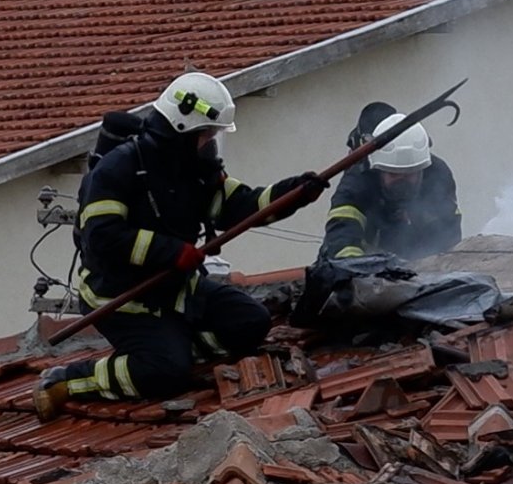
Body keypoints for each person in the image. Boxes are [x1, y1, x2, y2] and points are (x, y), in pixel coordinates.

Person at [32, 72, 327, 421]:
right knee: (165, 373)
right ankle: (68, 380)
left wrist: (293, 194)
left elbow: (239, 206)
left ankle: (174, 348)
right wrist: (170, 251)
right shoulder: (118, 169)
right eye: (206, 134)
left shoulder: (197, 169)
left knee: (250, 323)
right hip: (123, 297)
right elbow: (103, 236)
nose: (211, 141)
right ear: (181, 129)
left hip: (176, 288)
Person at [319, 103, 461, 261]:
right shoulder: (357, 184)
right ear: (378, 170)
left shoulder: (437, 175)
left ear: (422, 169)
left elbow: (449, 234)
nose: (402, 180)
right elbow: (342, 244)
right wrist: (367, 274)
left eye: (409, 174)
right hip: (365, 269)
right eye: (393, 174)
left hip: (419, 266)